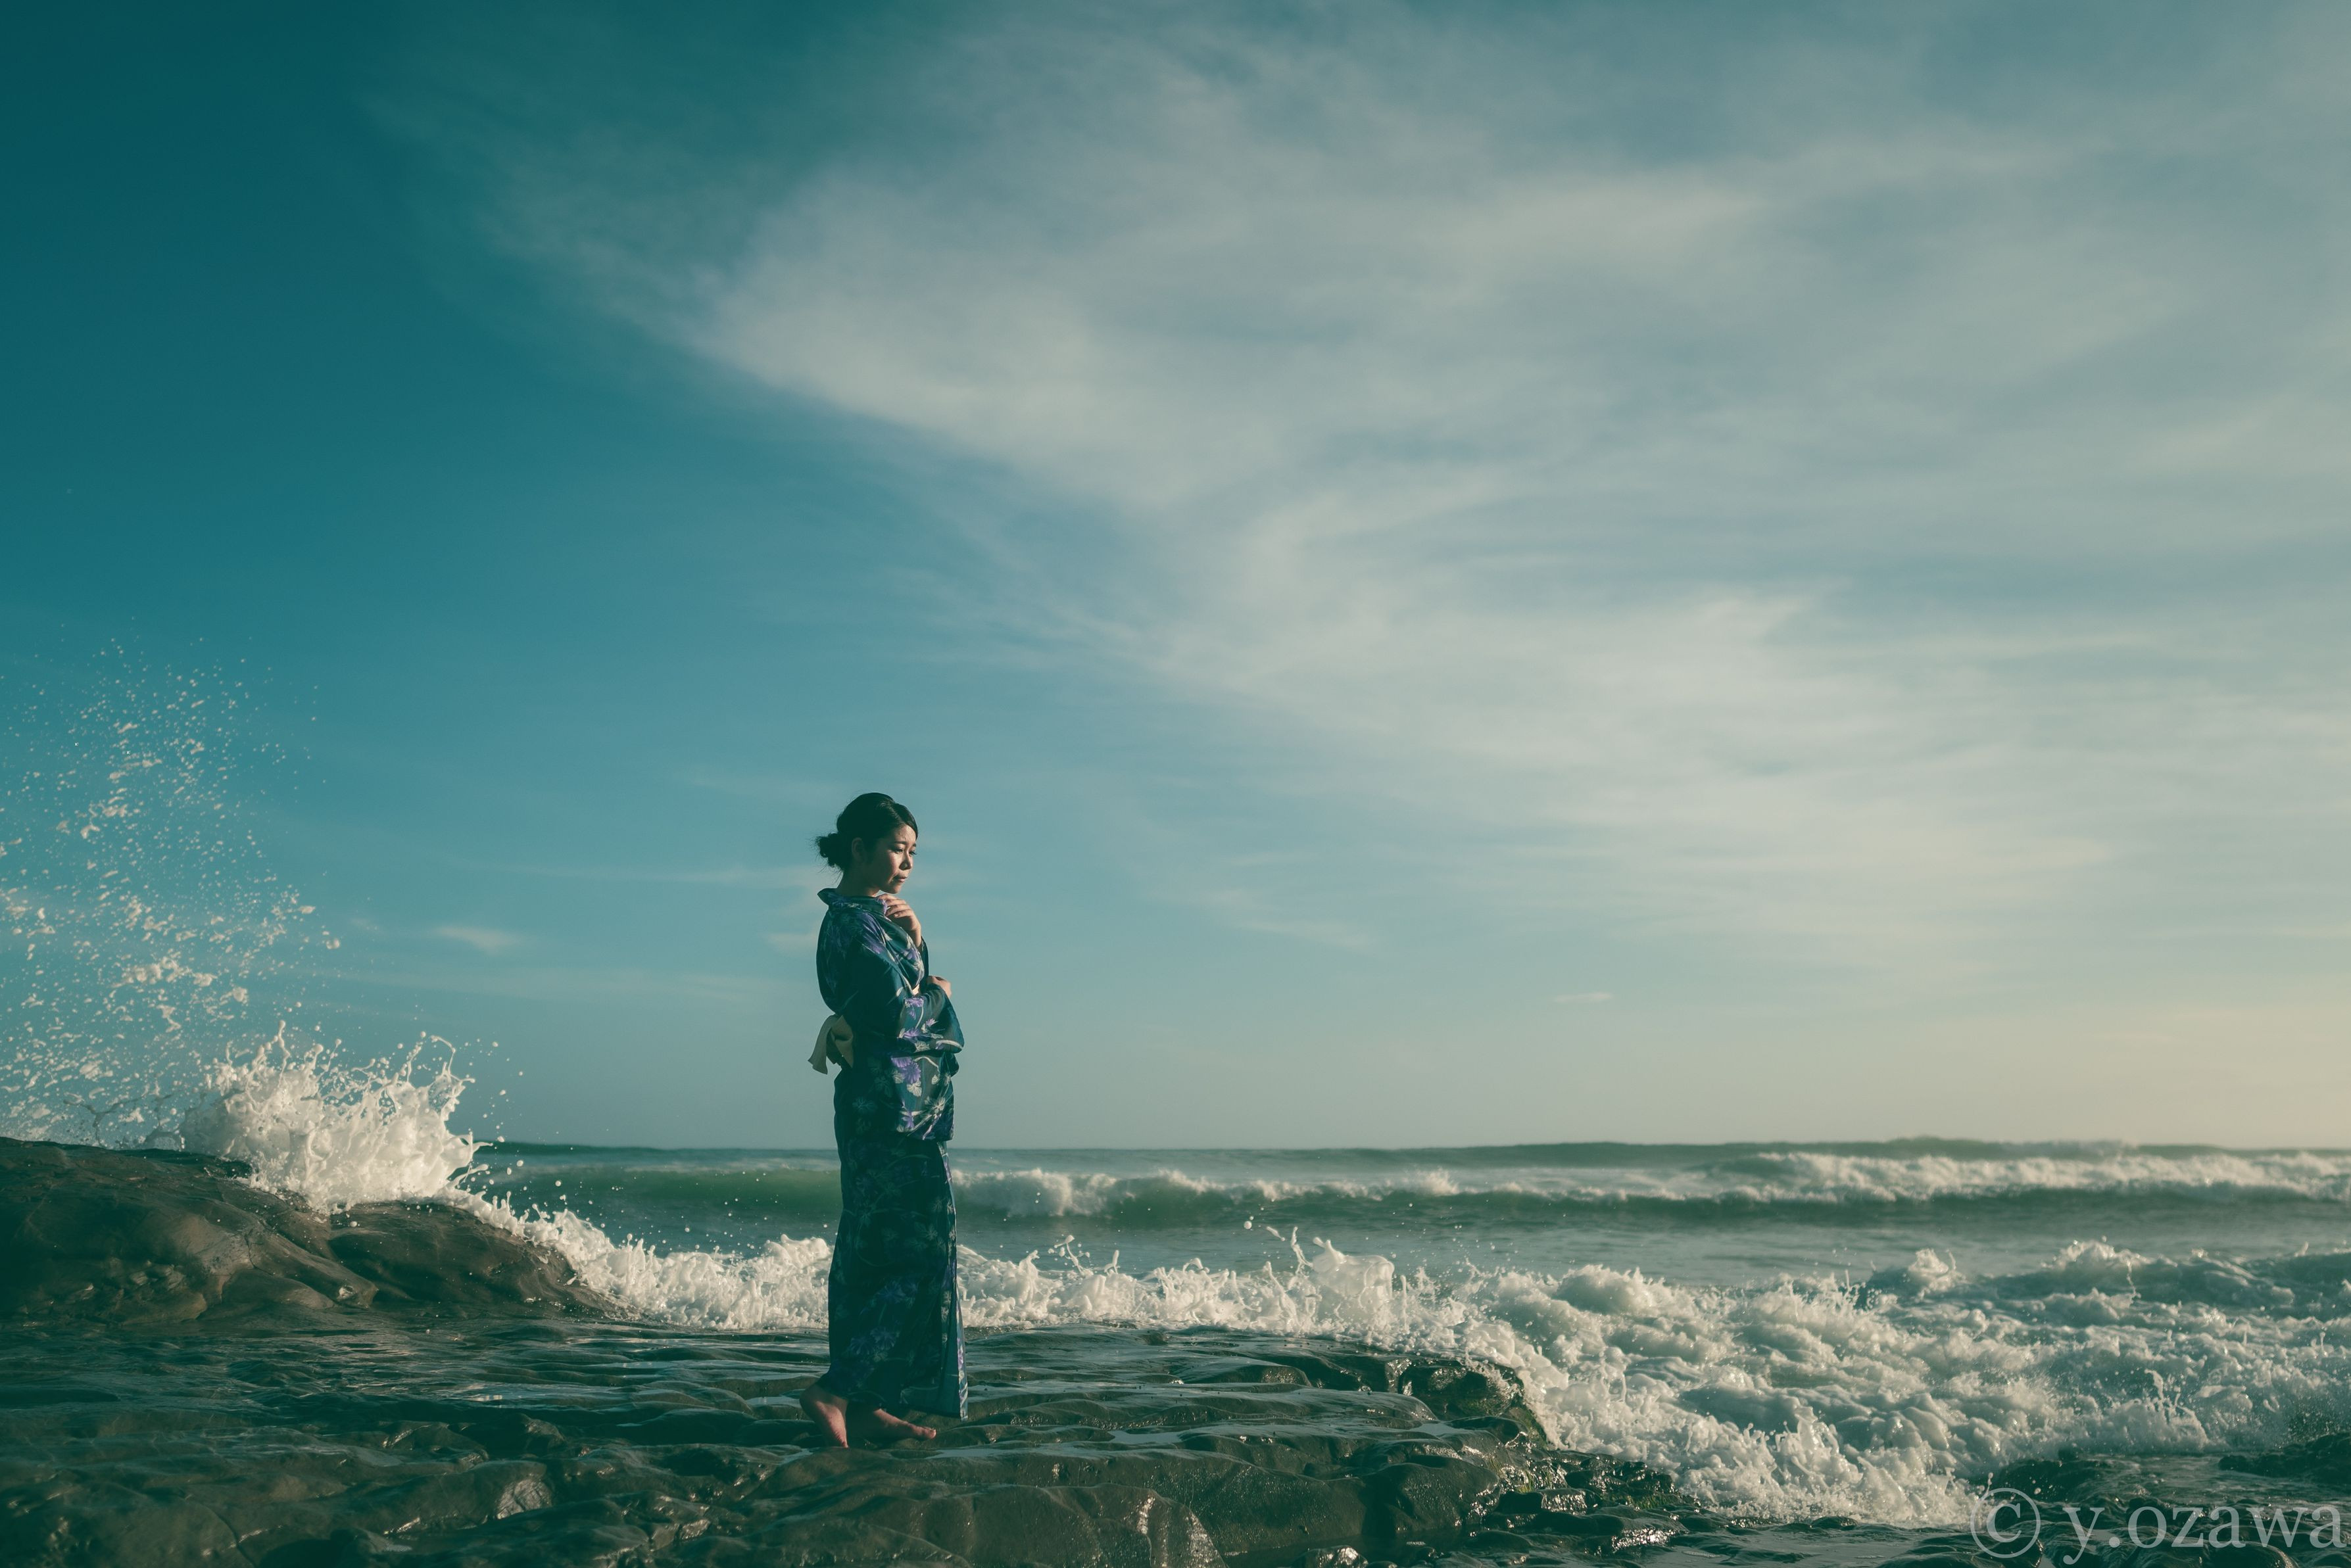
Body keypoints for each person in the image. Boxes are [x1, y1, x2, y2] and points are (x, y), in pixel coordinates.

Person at [798, 792, 966, 1447]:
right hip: (892, 1114)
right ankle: (838, 1389)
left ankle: (868, 1404)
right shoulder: (850, 925)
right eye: (898, 848)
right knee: (919, 1258)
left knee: (873, 1257)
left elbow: (895, 994)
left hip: (898, 1110)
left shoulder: (876, 921)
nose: (908, 862)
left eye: (913, 852)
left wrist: (917, 939)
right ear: (859, 848)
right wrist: (942, 994)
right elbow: (899, 1014)